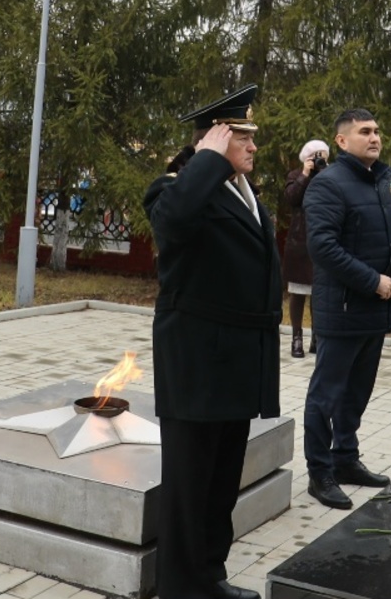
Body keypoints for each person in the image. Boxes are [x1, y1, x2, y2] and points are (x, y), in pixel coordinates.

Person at [144, 85, 280, 599]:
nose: (253, 146)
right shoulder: (175, 188)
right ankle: (180, 587)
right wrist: (205, 159)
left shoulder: (241, 191)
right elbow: (173, 222)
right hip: (197, 361)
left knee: (221, 482)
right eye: (242, 137)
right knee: (190, 483)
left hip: (238, 361)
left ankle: (209, 576)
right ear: (215, 140)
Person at [302, 108, 391, 511]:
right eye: (365, 131)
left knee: (356, 393)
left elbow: (387, 240)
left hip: (373, 310)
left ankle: (345, 459)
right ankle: (320, 473)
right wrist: (372, 281)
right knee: (326, 396)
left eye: (377, 130)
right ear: (342, 141)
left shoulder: (377, 181)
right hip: (342, 308)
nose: (375, 137)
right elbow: (323, 247)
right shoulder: (328, 184)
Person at [282, 139, 328, 358]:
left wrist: (324, 173)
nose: (319, 159)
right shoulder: (295, 176)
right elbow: (292, 198)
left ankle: (317, 337)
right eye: (315, 155)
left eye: (323, 155)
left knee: (318, 294)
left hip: (322, 241)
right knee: (298, 293)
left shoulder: (330, 175)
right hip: (299, 243)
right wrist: (305, 174)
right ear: (306, 158)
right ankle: (296, 337)